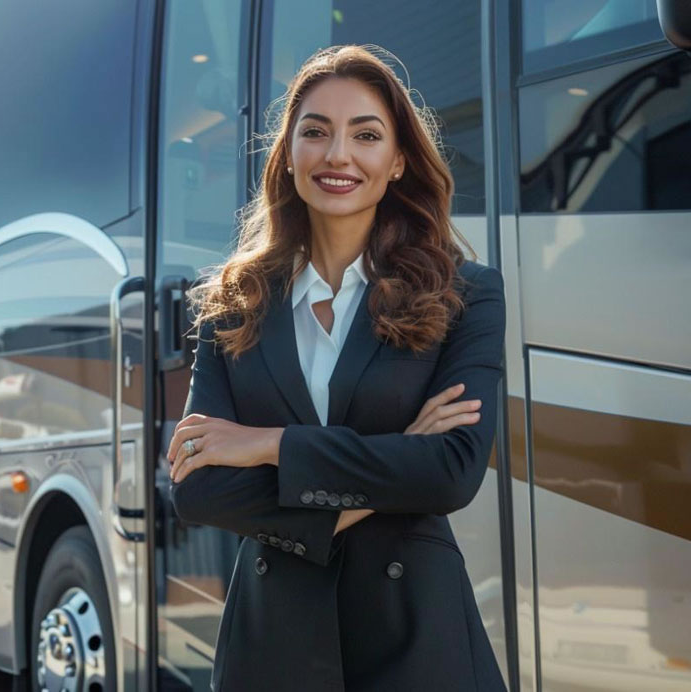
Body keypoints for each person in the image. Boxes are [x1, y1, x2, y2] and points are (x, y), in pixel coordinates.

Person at [167, 44, 508, 691]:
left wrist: (269, 445)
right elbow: (199, 488)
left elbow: (450, 472)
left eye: (366, 135)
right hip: (272, 651)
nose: (338, 155)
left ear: (398, 160)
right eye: (316, 132)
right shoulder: (232, 304)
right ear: (289, 153)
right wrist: (398, 457)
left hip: (417, 643)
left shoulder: (466, 294)